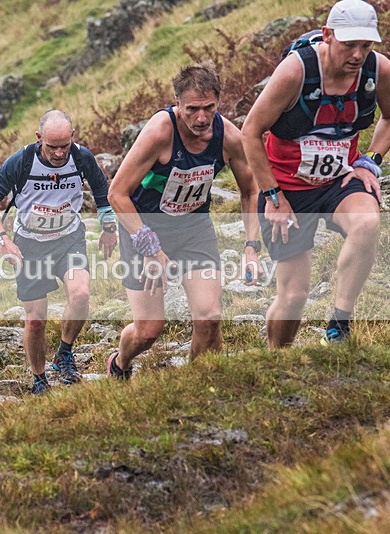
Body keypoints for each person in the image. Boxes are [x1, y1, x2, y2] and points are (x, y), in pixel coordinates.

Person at [241, 0, 390, 348]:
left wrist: (370, 161)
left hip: (338, 182)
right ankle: (275, 357)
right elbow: (250, 131)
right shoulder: (295, 72)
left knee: (367, 222)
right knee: (294, 297)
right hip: (287, 191)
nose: (358, 55)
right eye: (349, 44)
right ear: (328, 35)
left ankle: (340, 324)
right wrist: (273, 197)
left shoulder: (379, 71)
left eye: (366, 45)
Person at [107, 61, 261, 379]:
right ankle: (119, 363)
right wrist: (150, 246)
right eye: (192, 109)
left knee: (209, 317)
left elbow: (251, 192)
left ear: (219, 101)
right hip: (144, 228)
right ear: (177, 104)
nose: (201, 118)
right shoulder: (159, 132)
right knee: (149, 331)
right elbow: (117, 194)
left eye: (209, 108)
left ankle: (200, 385)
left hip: (193, 228)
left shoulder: (229, 137)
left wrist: (251, 246)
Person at [0, 109, 118, 394]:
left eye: (64, 146)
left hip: (69, 239)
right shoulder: (20, 162)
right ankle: (39, 378)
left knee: (80, 295)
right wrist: (2, 238)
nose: (58, 154)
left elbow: (102, 190)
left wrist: (108, 227)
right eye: (51, 146)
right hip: (30, 244)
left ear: (73, 137)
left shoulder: (82, 157)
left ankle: (64, 353)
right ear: (38, 138)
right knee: (35, 320)